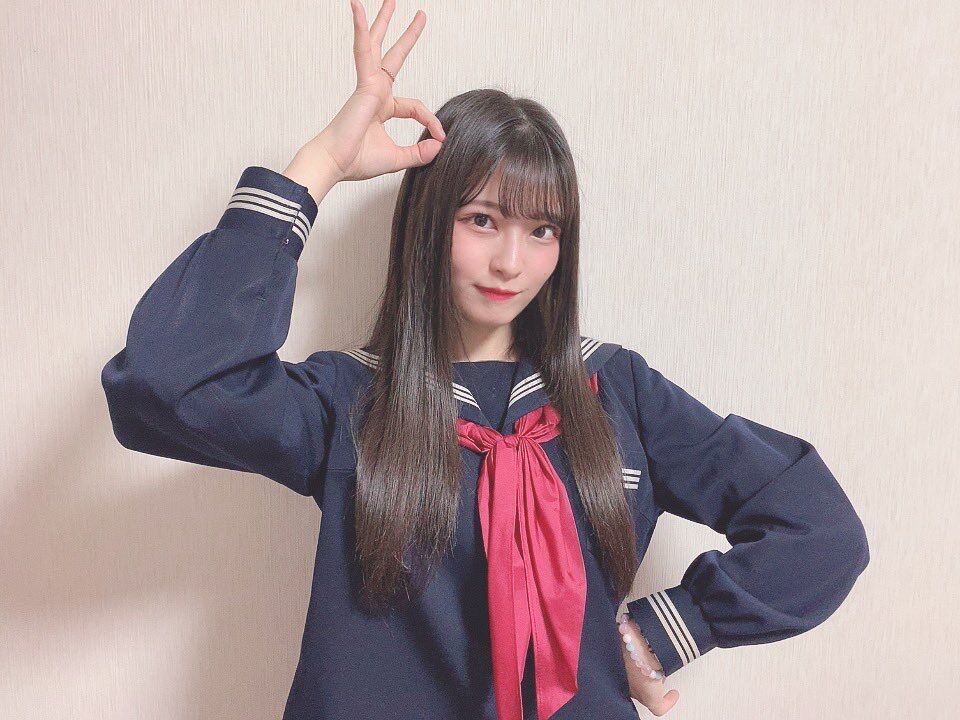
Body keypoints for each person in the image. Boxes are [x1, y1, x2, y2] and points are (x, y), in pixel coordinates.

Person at [100, 1, 870, 718]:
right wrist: (321, 162)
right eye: (481, 220)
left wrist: (666, 630)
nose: (511, 261)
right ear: (430, 223)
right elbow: (169, 385)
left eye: (542, 230)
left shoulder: (616, 391)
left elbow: (819, 529)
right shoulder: (351, 399)